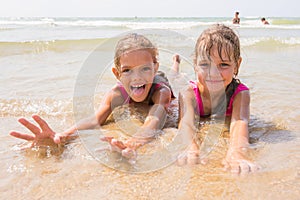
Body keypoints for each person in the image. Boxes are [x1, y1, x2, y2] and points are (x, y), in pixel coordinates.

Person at [10, 33, 175, 161]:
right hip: (145, 81)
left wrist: (131, 143)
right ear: (117, 74)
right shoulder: (116, 94)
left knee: (174, 75)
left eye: (145, 68)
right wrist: (64, 136)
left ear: (154, 68)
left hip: (160, 80)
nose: (136, 77)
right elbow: (95, 120)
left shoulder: (162, 93)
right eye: (127, 70)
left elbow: (153, 122)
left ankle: (175, 64)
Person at [174, 24, 259, 174]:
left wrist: (237, 153)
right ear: (195, 65)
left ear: (237, 65)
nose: (213, 73)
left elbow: (239, 123)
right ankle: (176, 64)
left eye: (223, 65)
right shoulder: (188, 92)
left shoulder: (240, 94)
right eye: (205, 64)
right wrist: (190, 146)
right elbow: (186, 122)